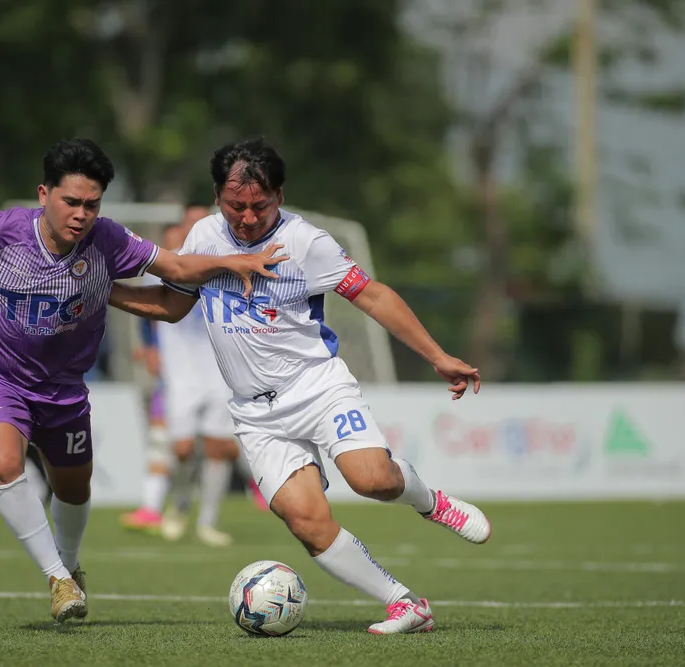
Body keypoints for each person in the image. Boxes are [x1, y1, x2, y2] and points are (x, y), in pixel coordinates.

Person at [0, 138, 286, 623]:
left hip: (63, 386)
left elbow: (171, 266)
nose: (82, 214)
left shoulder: (108, 239)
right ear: (44, 194)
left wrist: (234, 263)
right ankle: (57, 578)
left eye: (92, 204)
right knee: (3, 462)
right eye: (71, 201)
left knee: (74, 487)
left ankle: (70, 562)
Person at [107, 138, 491, 635]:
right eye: (235, 205)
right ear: (218, 196)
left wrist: (438, 356)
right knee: (305, 519)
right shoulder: (202, 236)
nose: (246, 218)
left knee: (372, 479)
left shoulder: (306, 243)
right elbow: (173, 304)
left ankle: (430, 502)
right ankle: (404, 604)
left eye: (259, 206)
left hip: (317, 388)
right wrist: (104, 290)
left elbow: (371, 296)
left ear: (280, 197)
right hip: (255, 413)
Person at [120, 213, 267, 547]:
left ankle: (208, 523)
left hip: (220, 373)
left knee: (219, 448)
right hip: (180, 376)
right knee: (183, 449)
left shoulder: (224, 268)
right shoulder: (163, 272)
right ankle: (181, 502)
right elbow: (149, 313)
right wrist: (149, 348)